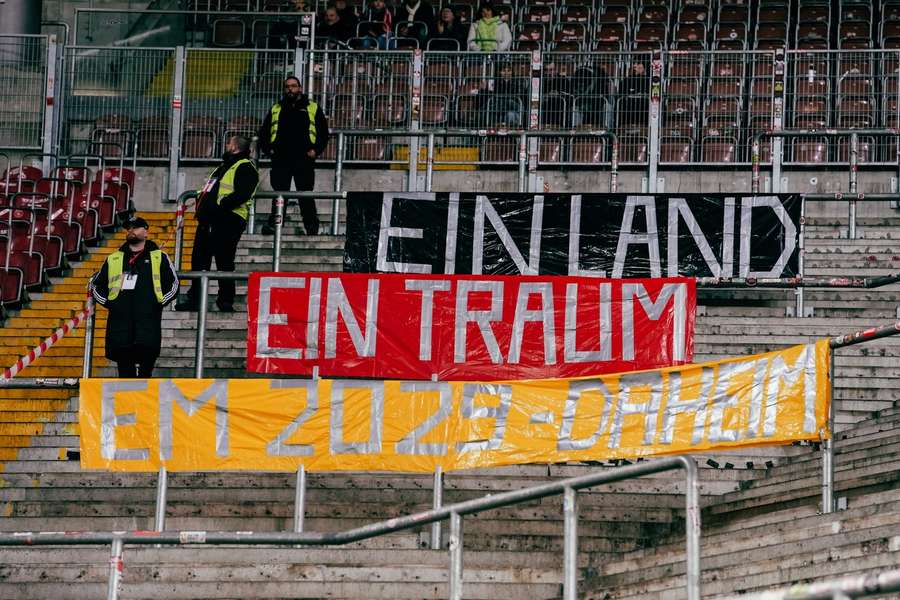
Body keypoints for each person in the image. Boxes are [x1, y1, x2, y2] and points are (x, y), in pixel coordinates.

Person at [175, 135, 259, 313]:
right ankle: (195, 299)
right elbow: (212, 190)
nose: (226, 145)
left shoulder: (246, 167)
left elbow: (241, 194)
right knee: (198, 261)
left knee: (224, 261)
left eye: (229, 143)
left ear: (235, 147)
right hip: (209, 220)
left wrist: (218, 206)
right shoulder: (223, 167)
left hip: (229, 220)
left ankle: (226, 300)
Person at [90, 216, 179, 378]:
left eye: (136, 227)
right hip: (120, 325)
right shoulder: (114, 258)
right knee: (125, 372)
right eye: (128, 228)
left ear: (146, 232)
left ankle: (142, 402)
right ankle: (127, 402)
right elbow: (96, 285)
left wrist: (158, 302)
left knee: (146, 372)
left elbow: (173, 284)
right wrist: (110, 303)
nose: (131, 230)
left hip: (147, 323)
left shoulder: (159, 256)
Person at [258, 76, 330, 236]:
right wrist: (269, 150)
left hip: (303, 158)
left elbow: (324, 133)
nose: (290, 89)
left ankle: (311, 228)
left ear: (300, 88)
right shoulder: (276, 108)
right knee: (279, 194)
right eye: (287, 87)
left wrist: (315, 151)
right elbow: (264, 132)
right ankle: (275, 226)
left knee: (305, 194)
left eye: (293, 86)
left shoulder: (312, 107)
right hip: (281, 158)